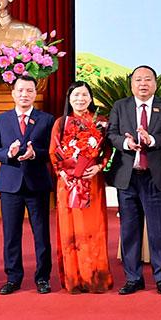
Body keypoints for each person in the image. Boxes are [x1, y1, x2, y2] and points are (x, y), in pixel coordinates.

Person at [106, 65, 161, 295]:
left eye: (147, 79)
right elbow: (111, 134)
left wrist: (152, 140)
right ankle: (133, 277)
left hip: (155, 177)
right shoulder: (120, 106)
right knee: (129, 229)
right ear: (131, 84)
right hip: (128, 177)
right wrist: (126, 143)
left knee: (159, 230)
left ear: (155, 84)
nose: (143, 84)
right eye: (138, 80)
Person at [0, 74, 55, 295]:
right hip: (10, 184)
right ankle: (13, 278)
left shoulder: (46, 119)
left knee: (41, 233)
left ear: (35, 93)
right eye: (21, 90)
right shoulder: (1, 120)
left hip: (37, 183)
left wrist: (35, 154)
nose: (25, 94)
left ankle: (42, 278)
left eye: (29, 91)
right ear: (13, 93)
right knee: (11, 234)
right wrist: (8, 153)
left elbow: (52, 152)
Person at [49, 81, 113, 294]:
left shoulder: (101, 122)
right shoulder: (61, 123)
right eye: (76, 95)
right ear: (69, 98)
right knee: (71, 229)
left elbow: (107, 151)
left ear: (91, 98)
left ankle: (95, 278)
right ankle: (74, 279)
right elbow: (53, 152)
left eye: (84, 95)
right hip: (67, 184)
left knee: (94, 228)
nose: (80, 99)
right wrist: (64, 173)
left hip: (92, 181)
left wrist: (99, 166)